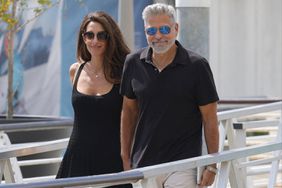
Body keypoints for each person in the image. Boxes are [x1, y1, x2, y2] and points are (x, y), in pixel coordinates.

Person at [120, 3, 219, 188]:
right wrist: (125, 158)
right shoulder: (132, 63)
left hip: (183, 165)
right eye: (152, 31)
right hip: (144, 165)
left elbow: (210, 118)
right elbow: (128, 112)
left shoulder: (197, 66)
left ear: (176, 29)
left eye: (165, 29)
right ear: (145, 31)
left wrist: (212, 164)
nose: (158, 36)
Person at [56, 11, 132, 188]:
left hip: (112, 160)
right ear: (83, 37)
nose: (95, 41)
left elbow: (133, 117)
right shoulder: (75, 70)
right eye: (89, 35)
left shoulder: (124, 73)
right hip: (76, 158)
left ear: (110, 38)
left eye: (101, 35)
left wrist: (128, 159)